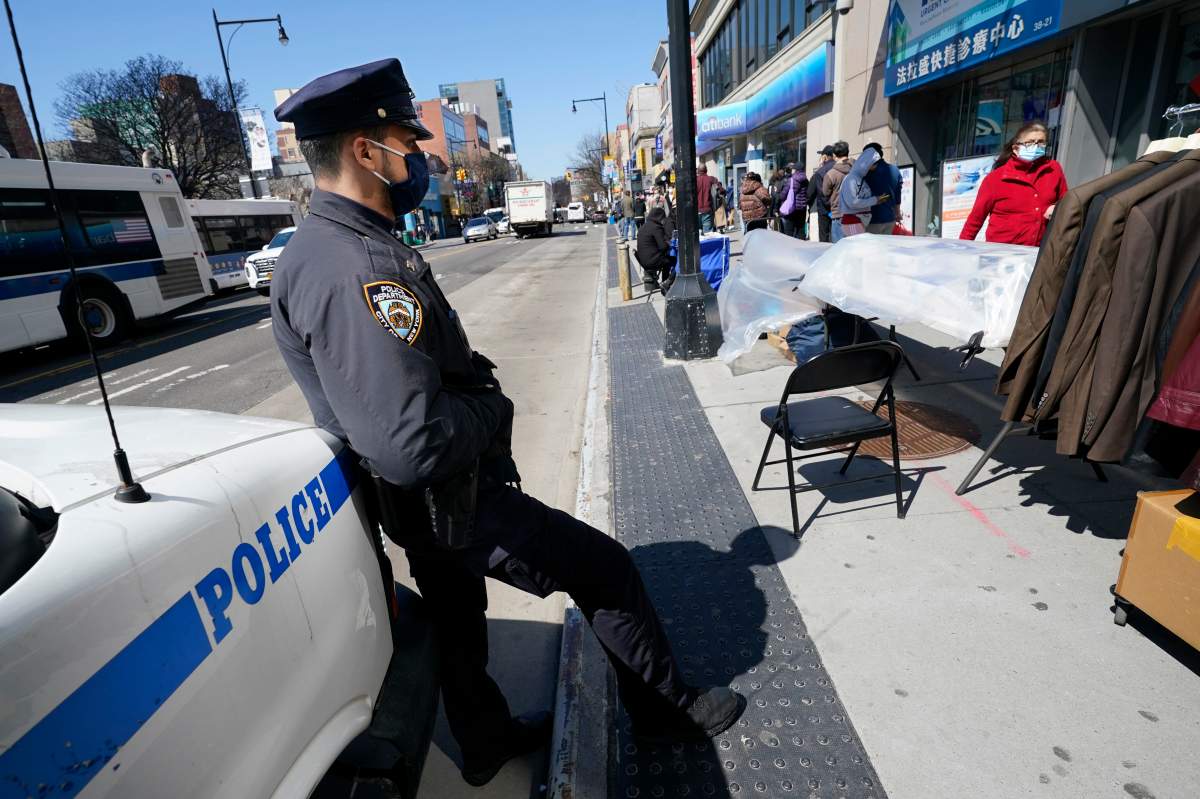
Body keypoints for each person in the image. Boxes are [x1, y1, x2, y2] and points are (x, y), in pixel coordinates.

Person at [270, 59, 745, 788]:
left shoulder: (320, 249)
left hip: (425, 511)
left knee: (460, 620)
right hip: (454, 499)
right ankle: (666, 708)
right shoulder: (356, 265)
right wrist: (490, 405)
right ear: (364, 150)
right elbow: (411, 442)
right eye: (405, 140)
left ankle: (485, 739)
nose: (418, 157)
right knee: (606, 570)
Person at [960, 121, 1067, 245]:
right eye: (1030, 142)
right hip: (1004, 253)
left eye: (1041, 142)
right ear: (1016, 149)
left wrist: (1057, 207)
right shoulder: (995, 179)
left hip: (1041, 251)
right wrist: (961, 250)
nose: (1036, 146)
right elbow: (975, 220)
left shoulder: (1053, 169)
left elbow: (1066, 201)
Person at [836, 148, 888, 238]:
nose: (875, 167)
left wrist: (877, 200)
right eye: (874, 164)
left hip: (857, 221)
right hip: (852, 221)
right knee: (856, 249)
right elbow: (853, 202)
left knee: (858, 249)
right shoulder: (851, 179)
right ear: (867, 163)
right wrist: (875, 200)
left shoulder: (859, 178)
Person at [863, 142, 902, 234]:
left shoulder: (866, 173)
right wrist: (897, 213)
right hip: (889, 219)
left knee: (872, 248)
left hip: (871, 220)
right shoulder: (895, 170)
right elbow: (897, 196)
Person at [636, 206, 676, 292]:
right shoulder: (656, 227)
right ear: (658, 217)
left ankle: (664, 282)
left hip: (643, 260)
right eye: (662, 218)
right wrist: (669, 244)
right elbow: (663, 246)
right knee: (673, 261)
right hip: (652, 261)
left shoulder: (644, 226)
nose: (663, 221)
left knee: (667, 259)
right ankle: (666, 283)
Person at [820, 141, 853, 241]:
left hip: (838, 215)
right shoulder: (856, 170)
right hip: (856, 214)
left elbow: (825, 193)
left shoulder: (831, 174)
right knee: (853, 246)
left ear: (834, 155)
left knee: (839, 248)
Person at [807, 146, 836, 242]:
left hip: (824, 210)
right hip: (839, 209)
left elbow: (822, 193)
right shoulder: (839, 167)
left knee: (824, 239)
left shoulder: (820, 172)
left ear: (825, 157)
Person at [780, 163, 808, 239]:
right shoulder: (805, 180)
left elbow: (783, 195)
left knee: (789, 231)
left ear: (795, 170)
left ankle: (790, 248)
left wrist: (780, 196)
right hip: (802, 208)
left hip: (792, 208)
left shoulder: (792, 180)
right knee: (800, 229)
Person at [695, 164, 719, 232]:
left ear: (698, 171)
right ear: (706, 170)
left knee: (697, 234)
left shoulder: (694, 180)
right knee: (708, 235)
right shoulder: (711, 179)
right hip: (707, 210)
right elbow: (720, 189)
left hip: (696, 210)